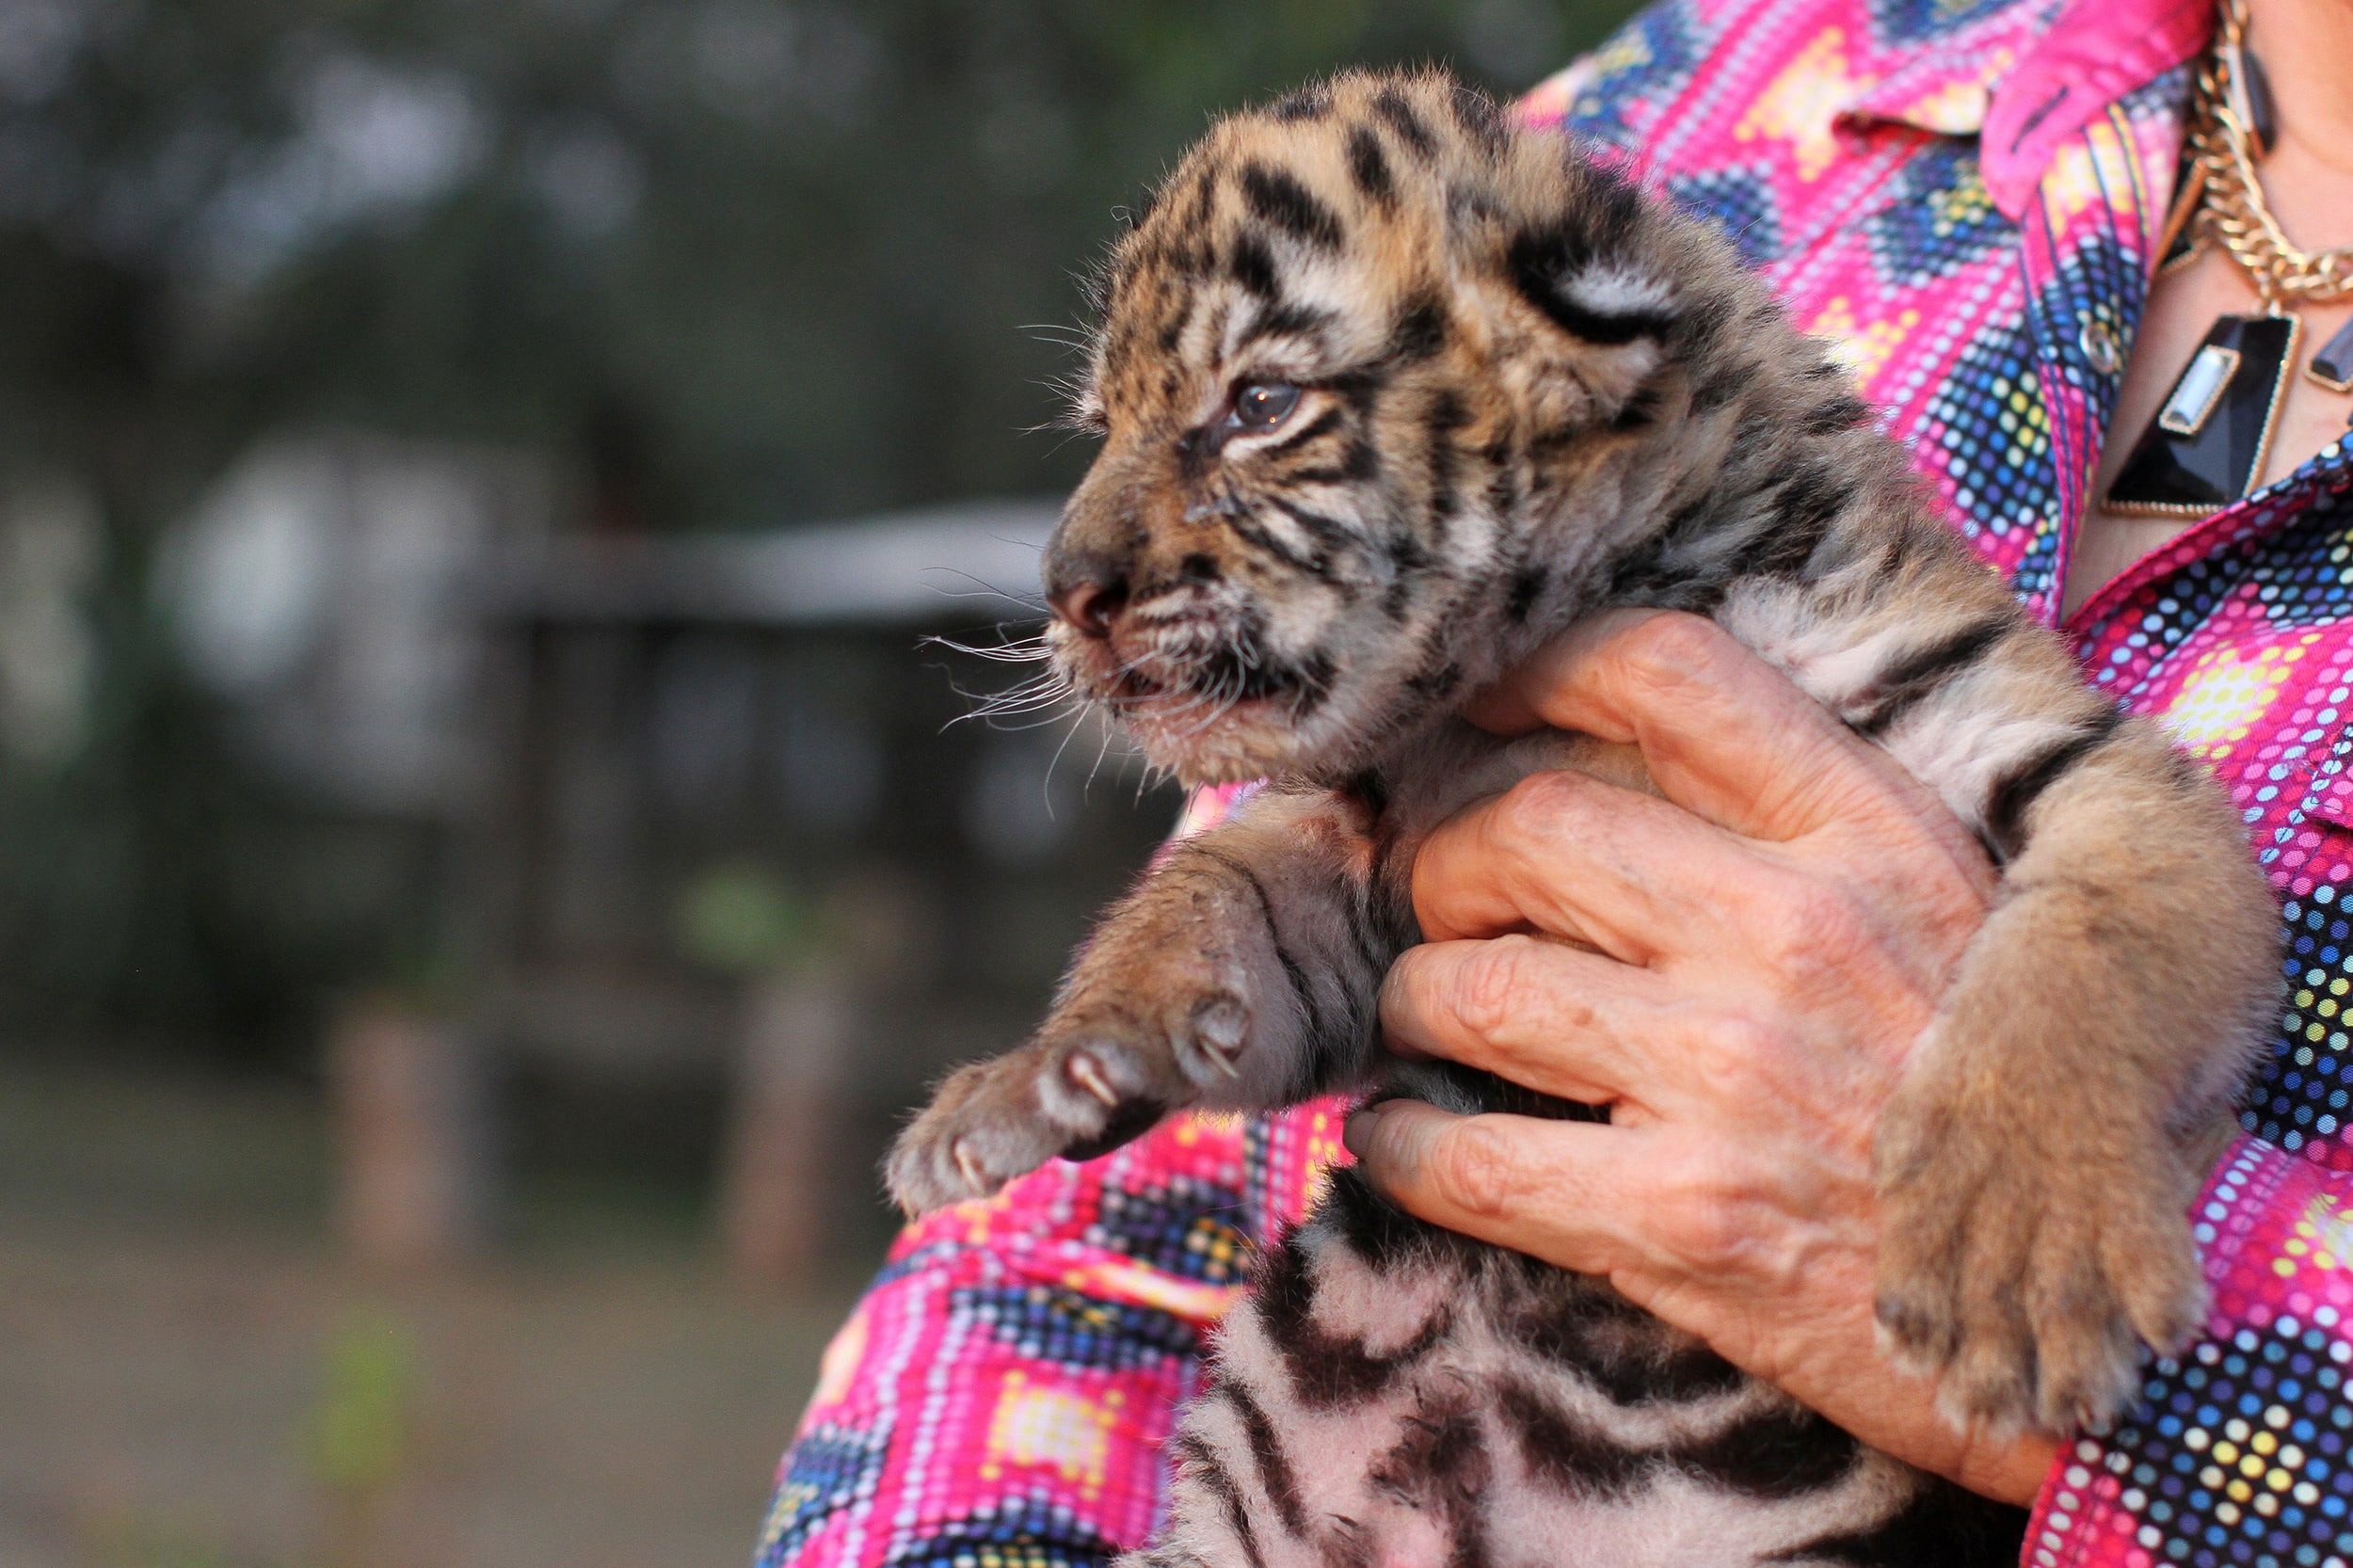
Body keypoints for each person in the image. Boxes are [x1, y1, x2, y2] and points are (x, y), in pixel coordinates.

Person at [756, 0, 2353, 1557]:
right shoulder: (1692, 100)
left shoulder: (1663, 409)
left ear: (1581, 364)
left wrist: (2160, 1339)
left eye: (1254, 410)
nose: (1091, 553)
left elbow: (2141, 850)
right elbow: (1082, 1271)